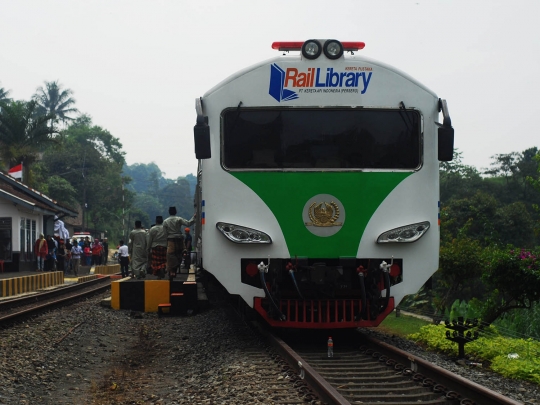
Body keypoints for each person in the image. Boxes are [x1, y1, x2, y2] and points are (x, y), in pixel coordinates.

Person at [163, 206, 195, 279]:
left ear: (169, 212)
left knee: (170, 255)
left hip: (171, 240)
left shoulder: (165, 221)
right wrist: (194, 217)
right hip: (180, 240)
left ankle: (171, 271)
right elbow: (188, 223)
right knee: (180, 254)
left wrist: (166, 242)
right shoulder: (179, 219)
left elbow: (165, 234)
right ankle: (175, 269)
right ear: (176, 212)